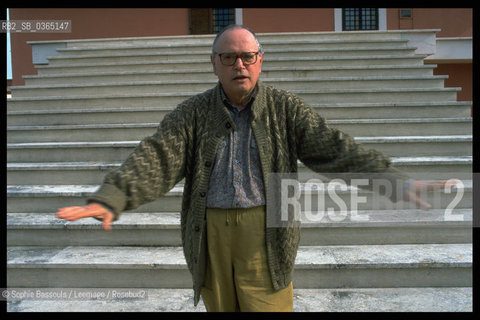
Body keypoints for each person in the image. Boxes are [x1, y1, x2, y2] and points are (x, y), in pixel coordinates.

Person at [56, 24, 456, 312]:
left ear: (260, 60)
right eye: (228, 57)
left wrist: (393, 183)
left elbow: (335, 148)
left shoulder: (285, 108)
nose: (239, 64)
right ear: (214, 64)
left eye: (247, 56)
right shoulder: (192, 113)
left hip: (266, 230)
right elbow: (158, 155)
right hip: (210, 231)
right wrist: (113, 197)